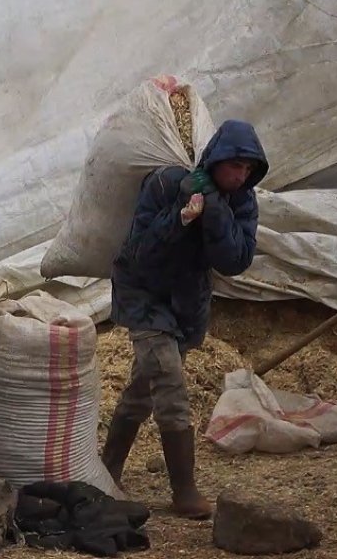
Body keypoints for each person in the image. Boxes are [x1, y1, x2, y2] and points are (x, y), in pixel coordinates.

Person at [100, 116, 269, 520]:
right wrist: (181, 215)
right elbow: (141, 252)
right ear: (217, 160)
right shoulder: (165, 184)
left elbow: (235, 260)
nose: (240, 176)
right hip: (144, 294)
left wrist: (214, 209)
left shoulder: (241, 201)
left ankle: (106, 470)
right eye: (234, 166)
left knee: (144, 388)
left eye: (247, 169)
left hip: (185, 303)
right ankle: (184, 490)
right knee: (169, 386)